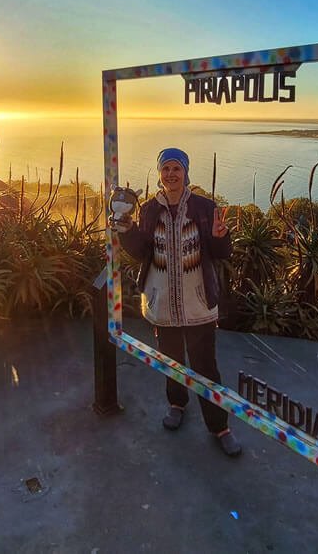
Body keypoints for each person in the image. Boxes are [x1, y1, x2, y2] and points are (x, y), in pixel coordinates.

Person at [117, 147, 240, 456]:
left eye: (177, 168)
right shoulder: (148, 209)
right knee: (171, 362)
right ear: (160, 173)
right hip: (162, 303)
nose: (171, 174)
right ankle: (177, 404)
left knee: (206, 367)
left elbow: (221, 252)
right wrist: (127, 230)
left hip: (198, 303)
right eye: (166, 168)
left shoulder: (203, 206)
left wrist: (220, 235)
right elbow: (140, 251)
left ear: (186, 173)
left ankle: (219, 426)